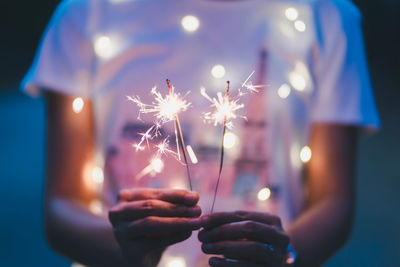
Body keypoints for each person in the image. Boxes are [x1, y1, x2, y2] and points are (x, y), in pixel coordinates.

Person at [22, 0, 379, 266]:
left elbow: (334, 205)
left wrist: (284, 256)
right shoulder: (89, 12)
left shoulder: (325, 15)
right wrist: (122, 249)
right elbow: (61, 210)